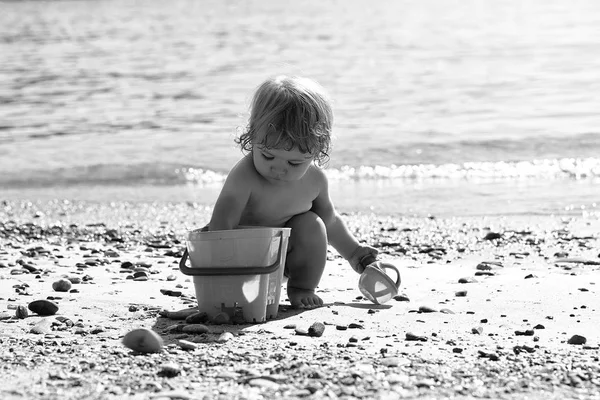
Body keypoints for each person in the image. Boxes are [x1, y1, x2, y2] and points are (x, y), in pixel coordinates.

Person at [208, 75, 378, 308]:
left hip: (289, 258)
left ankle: (301, 287)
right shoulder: (244, 176)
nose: (279, 168)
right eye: (268, 155)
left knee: (313, 223)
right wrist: (220, 270)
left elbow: (330, 220)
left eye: (294, 163)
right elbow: (222, 223)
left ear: (318, 151)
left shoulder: (315, 180)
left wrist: (354, 252)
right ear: (252, 136)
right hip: (245, 259)